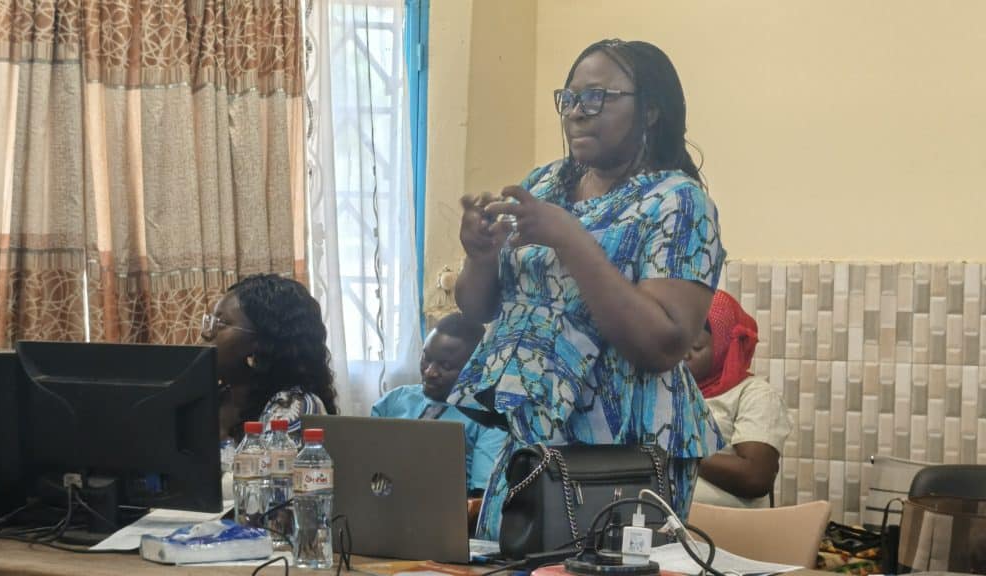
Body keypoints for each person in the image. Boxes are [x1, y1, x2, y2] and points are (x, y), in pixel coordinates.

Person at [451, 39, 725, 539]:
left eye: (597, 98)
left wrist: (570, 239)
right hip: (534, 434)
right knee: (504, 559)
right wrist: (480, 256)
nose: (577, 112)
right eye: (570, 98)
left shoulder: (679, 202)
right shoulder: (546, 184)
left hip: (626, 448)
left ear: (650, 110)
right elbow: (480, 310)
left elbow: (663, 343)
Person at [371, 312, 506, 496]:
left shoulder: (489, 421)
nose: (430, 372)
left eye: (446, 366)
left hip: (449, 508)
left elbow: (481, 498)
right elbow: (367, 469)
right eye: (426, 358)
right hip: (384, 504)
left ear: (476, 369)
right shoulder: (392, 401)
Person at [684, 290, 791, 508]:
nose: (683, 355)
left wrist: (681, 453)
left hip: (725, 526)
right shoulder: (665, 391)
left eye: (696, 347)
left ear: (723, 347)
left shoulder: (754, 394)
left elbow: (756, 477)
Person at [202, 273, 338, 444]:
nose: (206, 334)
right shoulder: (212, 399)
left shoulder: (293, 405)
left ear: (260, 342)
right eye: (210, 321)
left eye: (221, 323)